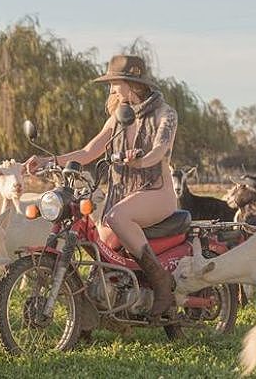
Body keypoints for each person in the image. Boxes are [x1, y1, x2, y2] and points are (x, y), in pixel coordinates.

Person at [25, 54, 178, 316]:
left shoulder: (166, 114)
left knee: (118, 217)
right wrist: (47, 160)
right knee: (99, 242)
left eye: (114, 83)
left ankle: (162, 284)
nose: (111, 89)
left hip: (155, 192)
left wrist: (140, 161)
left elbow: (160, 151)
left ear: (131, 83)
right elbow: (88, 152)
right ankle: (99, 308)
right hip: (121, 195)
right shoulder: (118, 118)